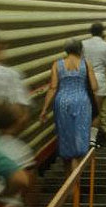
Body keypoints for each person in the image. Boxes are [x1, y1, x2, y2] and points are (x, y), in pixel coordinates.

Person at [38, 38, 100, 169]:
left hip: (62, 102)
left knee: (65, 137)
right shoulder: (86, 63)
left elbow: (53, 87)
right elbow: (94, 86)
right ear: (80, 49)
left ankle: (69, 175)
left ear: (66, 49)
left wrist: (44, 109)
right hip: (82, 101)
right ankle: (76, 175)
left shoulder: (57, 64)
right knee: (80, 136)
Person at [80, 22, 106, 148]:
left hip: (85, 79)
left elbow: (80, 61)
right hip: (99, 79)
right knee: (96, 111)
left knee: (84, 110)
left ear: (91, 32)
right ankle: (92, 140)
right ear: (102, 32)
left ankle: (82, 137)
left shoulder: (83, 44)